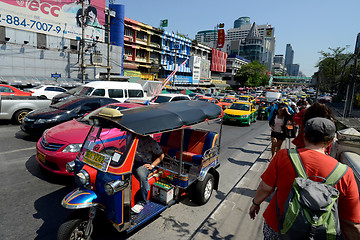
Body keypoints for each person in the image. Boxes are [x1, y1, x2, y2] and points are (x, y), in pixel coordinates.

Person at [249, 118, 360, 240]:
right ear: (331, 141)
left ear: (304, 135)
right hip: (319, 233)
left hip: (278, 227)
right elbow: (351, 221)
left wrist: (255, 203)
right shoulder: (344, 173)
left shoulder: (283, 156)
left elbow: (265, 188)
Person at [131, 135, 164, 214]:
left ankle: (142, 202)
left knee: (141, 175)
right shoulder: (132, 138)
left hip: (143, 163)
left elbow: (161, 155)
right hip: (132, 160)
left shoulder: (151, 141)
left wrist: (152, 165)